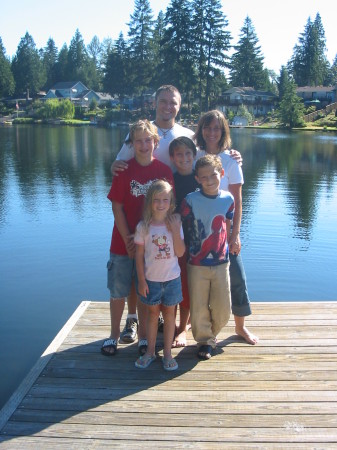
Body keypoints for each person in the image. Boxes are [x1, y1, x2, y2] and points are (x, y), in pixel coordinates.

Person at [101, 120, 174, 357]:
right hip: (122, 242)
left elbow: (167, 208)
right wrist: (128, 239)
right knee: (117, 291)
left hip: (151, 246)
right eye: (138, 141)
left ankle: (143, 337)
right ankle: (113, 335)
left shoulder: (163, 171)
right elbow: (117, 207)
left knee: (144, 291)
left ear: (156, 142)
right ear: (132, 144)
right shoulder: (124, 170)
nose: (144, 145)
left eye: (148, 140)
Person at [194, 110, 259, 345]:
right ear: (201, 129)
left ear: (223, 132)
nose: (212, 132)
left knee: (237, 277)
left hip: (224, 234)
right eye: (207, 127)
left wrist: (236, 234)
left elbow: (238, 201)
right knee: (197, 281)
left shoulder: (231, 161)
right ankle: (188, 326)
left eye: (217, 128)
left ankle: (240, 327)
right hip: (198, 234)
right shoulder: (195, 157)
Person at [180, 154, 234, 359]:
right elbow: (179, 222)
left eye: (213, 175)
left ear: (221, 173)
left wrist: (230, 244)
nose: (209, 180)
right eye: (204, 177)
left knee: (223, 308)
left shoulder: (228, 199)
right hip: (196, 263)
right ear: (197, 179)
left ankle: (211, 333)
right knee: (199, 304)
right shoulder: (190, 200)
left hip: (221, 262)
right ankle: (205, 341)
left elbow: (226, 227)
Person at [134, 180, 185, 371]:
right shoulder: (143, 227)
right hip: (151, 280)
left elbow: (180, 253)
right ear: (150, 202)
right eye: (157, 200)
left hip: (172, 279)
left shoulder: (175, 223)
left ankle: (168, 354)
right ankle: (150, 352)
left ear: (171, 202)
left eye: (165, 199)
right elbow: (139, 257)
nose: (161, 204)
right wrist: (141, 280)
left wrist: (174, 231)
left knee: (170, 315)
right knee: (152, 315)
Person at [168, 136, 200, 347]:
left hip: (197, 241)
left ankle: (182, 328)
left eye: (188, 153)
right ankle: (175, 324)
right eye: (179, 154)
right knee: (176, 283)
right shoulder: (169, 181)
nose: (184, 158)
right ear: (172, 157)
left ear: (195, 155)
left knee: (190, 286)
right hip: (173, 240)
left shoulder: (200, 179)